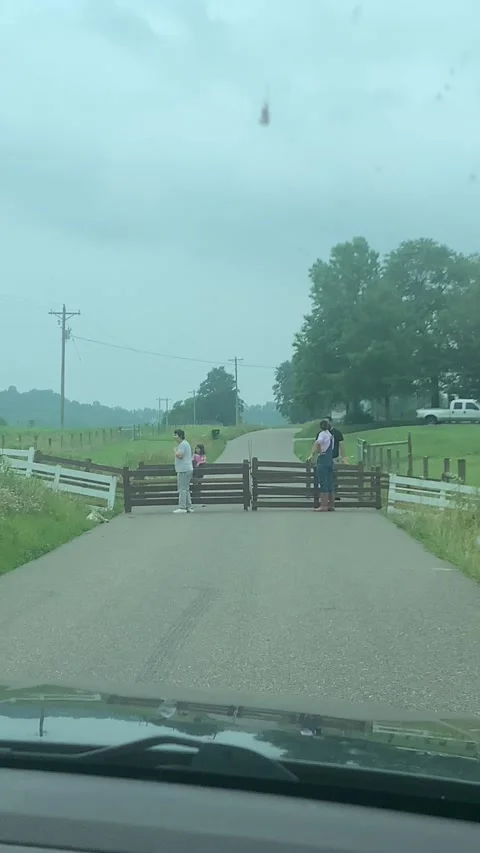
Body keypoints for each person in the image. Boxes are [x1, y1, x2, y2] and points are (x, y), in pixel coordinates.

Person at [309, 419, 335, 512]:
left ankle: (323, 505)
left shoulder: (322, 434)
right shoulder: (331, 435)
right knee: (330, 483)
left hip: (323, 459)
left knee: (323, 483)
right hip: (330, 459)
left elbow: (318, 442)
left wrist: (315, 453)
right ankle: (331, 505)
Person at [173, 429, 193, 514]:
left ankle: (182, 507)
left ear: (180, 436)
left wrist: (175, 451)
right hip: (187, 468)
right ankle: (188, 506)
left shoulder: (182, 444)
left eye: (176, 435)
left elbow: (180, 455)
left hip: (183, 469)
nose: (174, 437)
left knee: (182, 489)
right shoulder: (185, 443)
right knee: (186, 489)